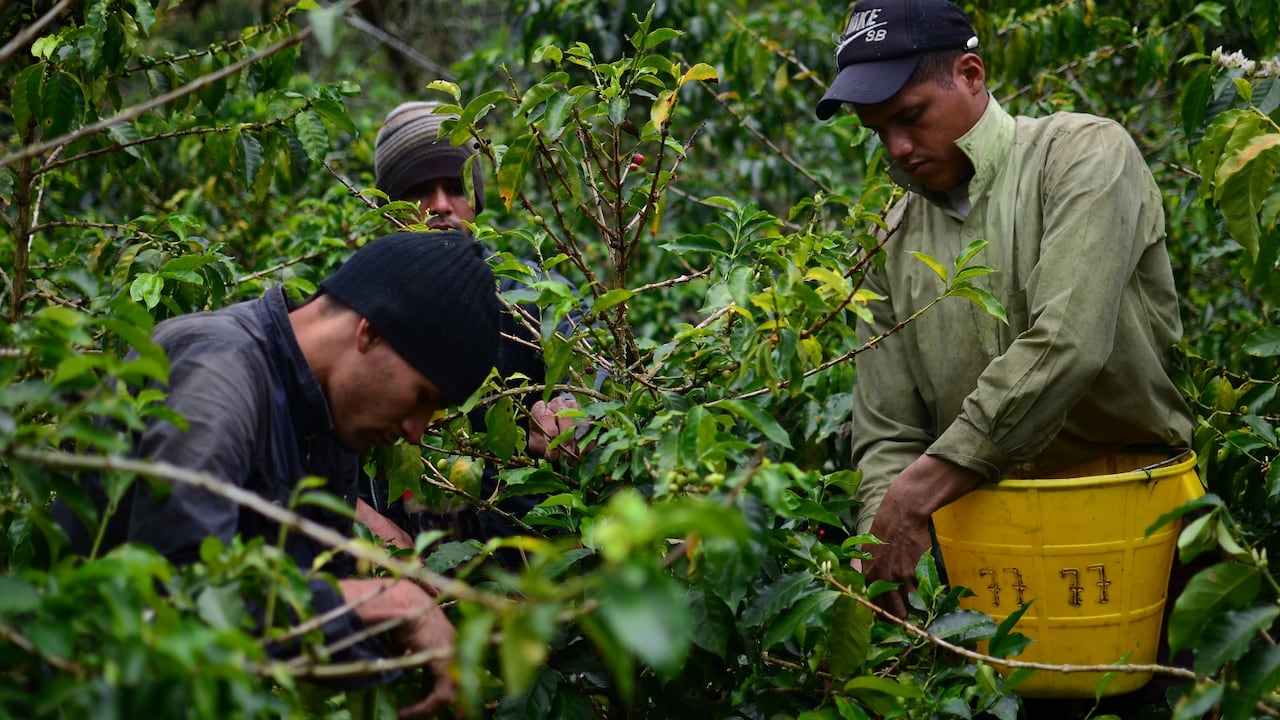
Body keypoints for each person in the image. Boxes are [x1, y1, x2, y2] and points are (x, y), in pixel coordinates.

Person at [815, 0, 1195, 620]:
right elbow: (888, 432)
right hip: (991, 563)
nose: (898, 147)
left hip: (1140, 525)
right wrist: (880, 555)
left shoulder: (1084, 156)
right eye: (879, 131)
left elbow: (1067, 343)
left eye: (910, 117)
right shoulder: (888, 241)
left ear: (970, 74)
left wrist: (917, 493)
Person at [54, 231, 500, 719]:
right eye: (422, 397)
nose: (416, 433)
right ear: (369, 333)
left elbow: (289, 627)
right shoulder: (217, 375)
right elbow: (176, 601)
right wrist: (383, 600)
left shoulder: (327, 416)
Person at [359, 101, 589, 554]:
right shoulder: (362, 309)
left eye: (454, 187)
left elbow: (593, 374)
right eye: (420, 190)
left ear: (477, 201)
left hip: (533, 573)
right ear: (390, 209)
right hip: (413, 580)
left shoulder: (532, 295)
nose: (441, 206)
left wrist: (572, 412)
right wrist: (358, 514)